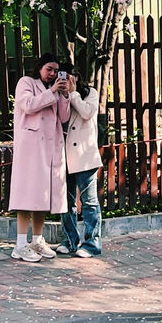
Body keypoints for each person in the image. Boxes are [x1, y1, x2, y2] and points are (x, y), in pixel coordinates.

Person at [9, 53, 70, 262]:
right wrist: (52, 91)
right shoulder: (26, 83)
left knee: (43, 196)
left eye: (55, 70)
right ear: (40, 67)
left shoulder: (53, 89)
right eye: (49, 69)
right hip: (31, 148)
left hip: (50, 148)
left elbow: (64, 117)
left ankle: (36, 239)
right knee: (27, 194)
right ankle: (19, 244)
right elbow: (28, 105)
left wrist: (64, 94)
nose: (52, 74)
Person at [55, 63, 103, 258]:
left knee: (89, 202)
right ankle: (70, 239)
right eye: (64, 76)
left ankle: (92, 243)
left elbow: (87, 113)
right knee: (66, 202)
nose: (68, 80)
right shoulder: (58, 94)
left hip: (85, 157)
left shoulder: (89, 92)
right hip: (63, 156)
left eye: (71, 75)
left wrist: (73, 94)